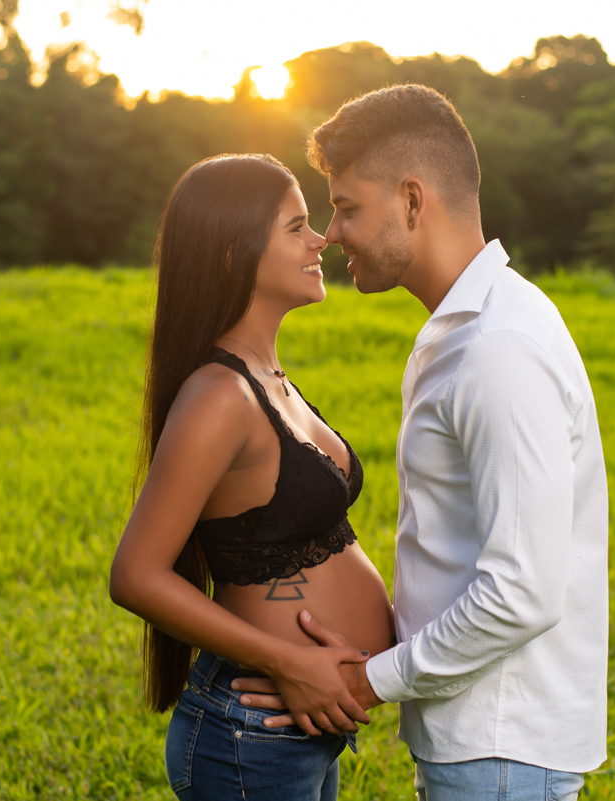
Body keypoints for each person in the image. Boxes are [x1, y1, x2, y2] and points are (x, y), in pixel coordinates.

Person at [233, 85, 609, 801]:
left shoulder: (496, 347)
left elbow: (523, 592)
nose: (332, 234)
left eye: (347, 207)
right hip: (487, 744)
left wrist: (367, 680)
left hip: (501, 749)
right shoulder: (473, 327)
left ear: (412, 200)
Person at [108, 153, 396, 801]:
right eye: (296, 227)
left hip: (295, 731)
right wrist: (289, 661)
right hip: (252, 733)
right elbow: (136, 575)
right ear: (234, 255)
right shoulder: (220, 394)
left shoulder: (267, 377)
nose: (321, 239)